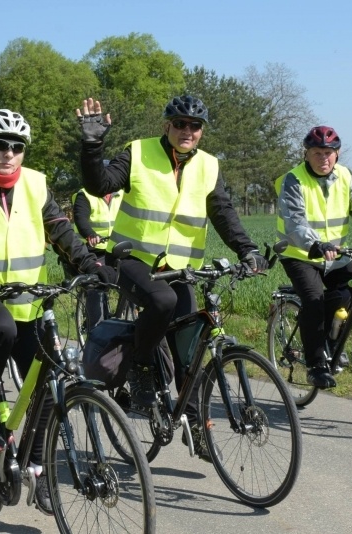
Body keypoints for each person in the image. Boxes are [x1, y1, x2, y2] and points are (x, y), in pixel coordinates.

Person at [0, 108, 112, 515]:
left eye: (17, 146)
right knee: (0, 330)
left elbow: (60, 229)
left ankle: (37, 466)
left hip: (24, 296)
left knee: (53, 373)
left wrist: (91, 264)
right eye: (0, 144)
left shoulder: (35, 183)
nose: (9, 153)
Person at [77, 95, 268, 461]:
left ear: (202, 132)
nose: (187, 131)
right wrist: (92, 145)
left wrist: (248, 250)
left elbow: (223, 212)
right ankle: (141, 367)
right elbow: (100, 183)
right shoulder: (138, 152)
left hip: (180, 268)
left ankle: (196, 426)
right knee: (161, 301)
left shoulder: (209, 165)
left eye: (195, 126)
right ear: (167, 126)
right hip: (132, 259)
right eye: (180, 123)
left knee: (189, 351)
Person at [275, 125, 352, 389]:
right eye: (317, 153)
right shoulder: (293, 180)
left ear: (337, 153)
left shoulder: (346, 177)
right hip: (300, 254)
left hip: (334, 255)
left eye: (328, 153)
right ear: (306, 154)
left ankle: (331, 345)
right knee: (313, 300)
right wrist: (316, 243)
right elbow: (295, 222)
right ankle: (316, 366)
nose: (323, 158)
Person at [70, 186, 122, 328]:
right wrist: (90, 234)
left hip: (115, 247)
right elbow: (80, 218)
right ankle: (96, 329)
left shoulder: (121, 194)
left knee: (131, 277)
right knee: (97, 284)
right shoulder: (86, 194)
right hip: (91, 249)